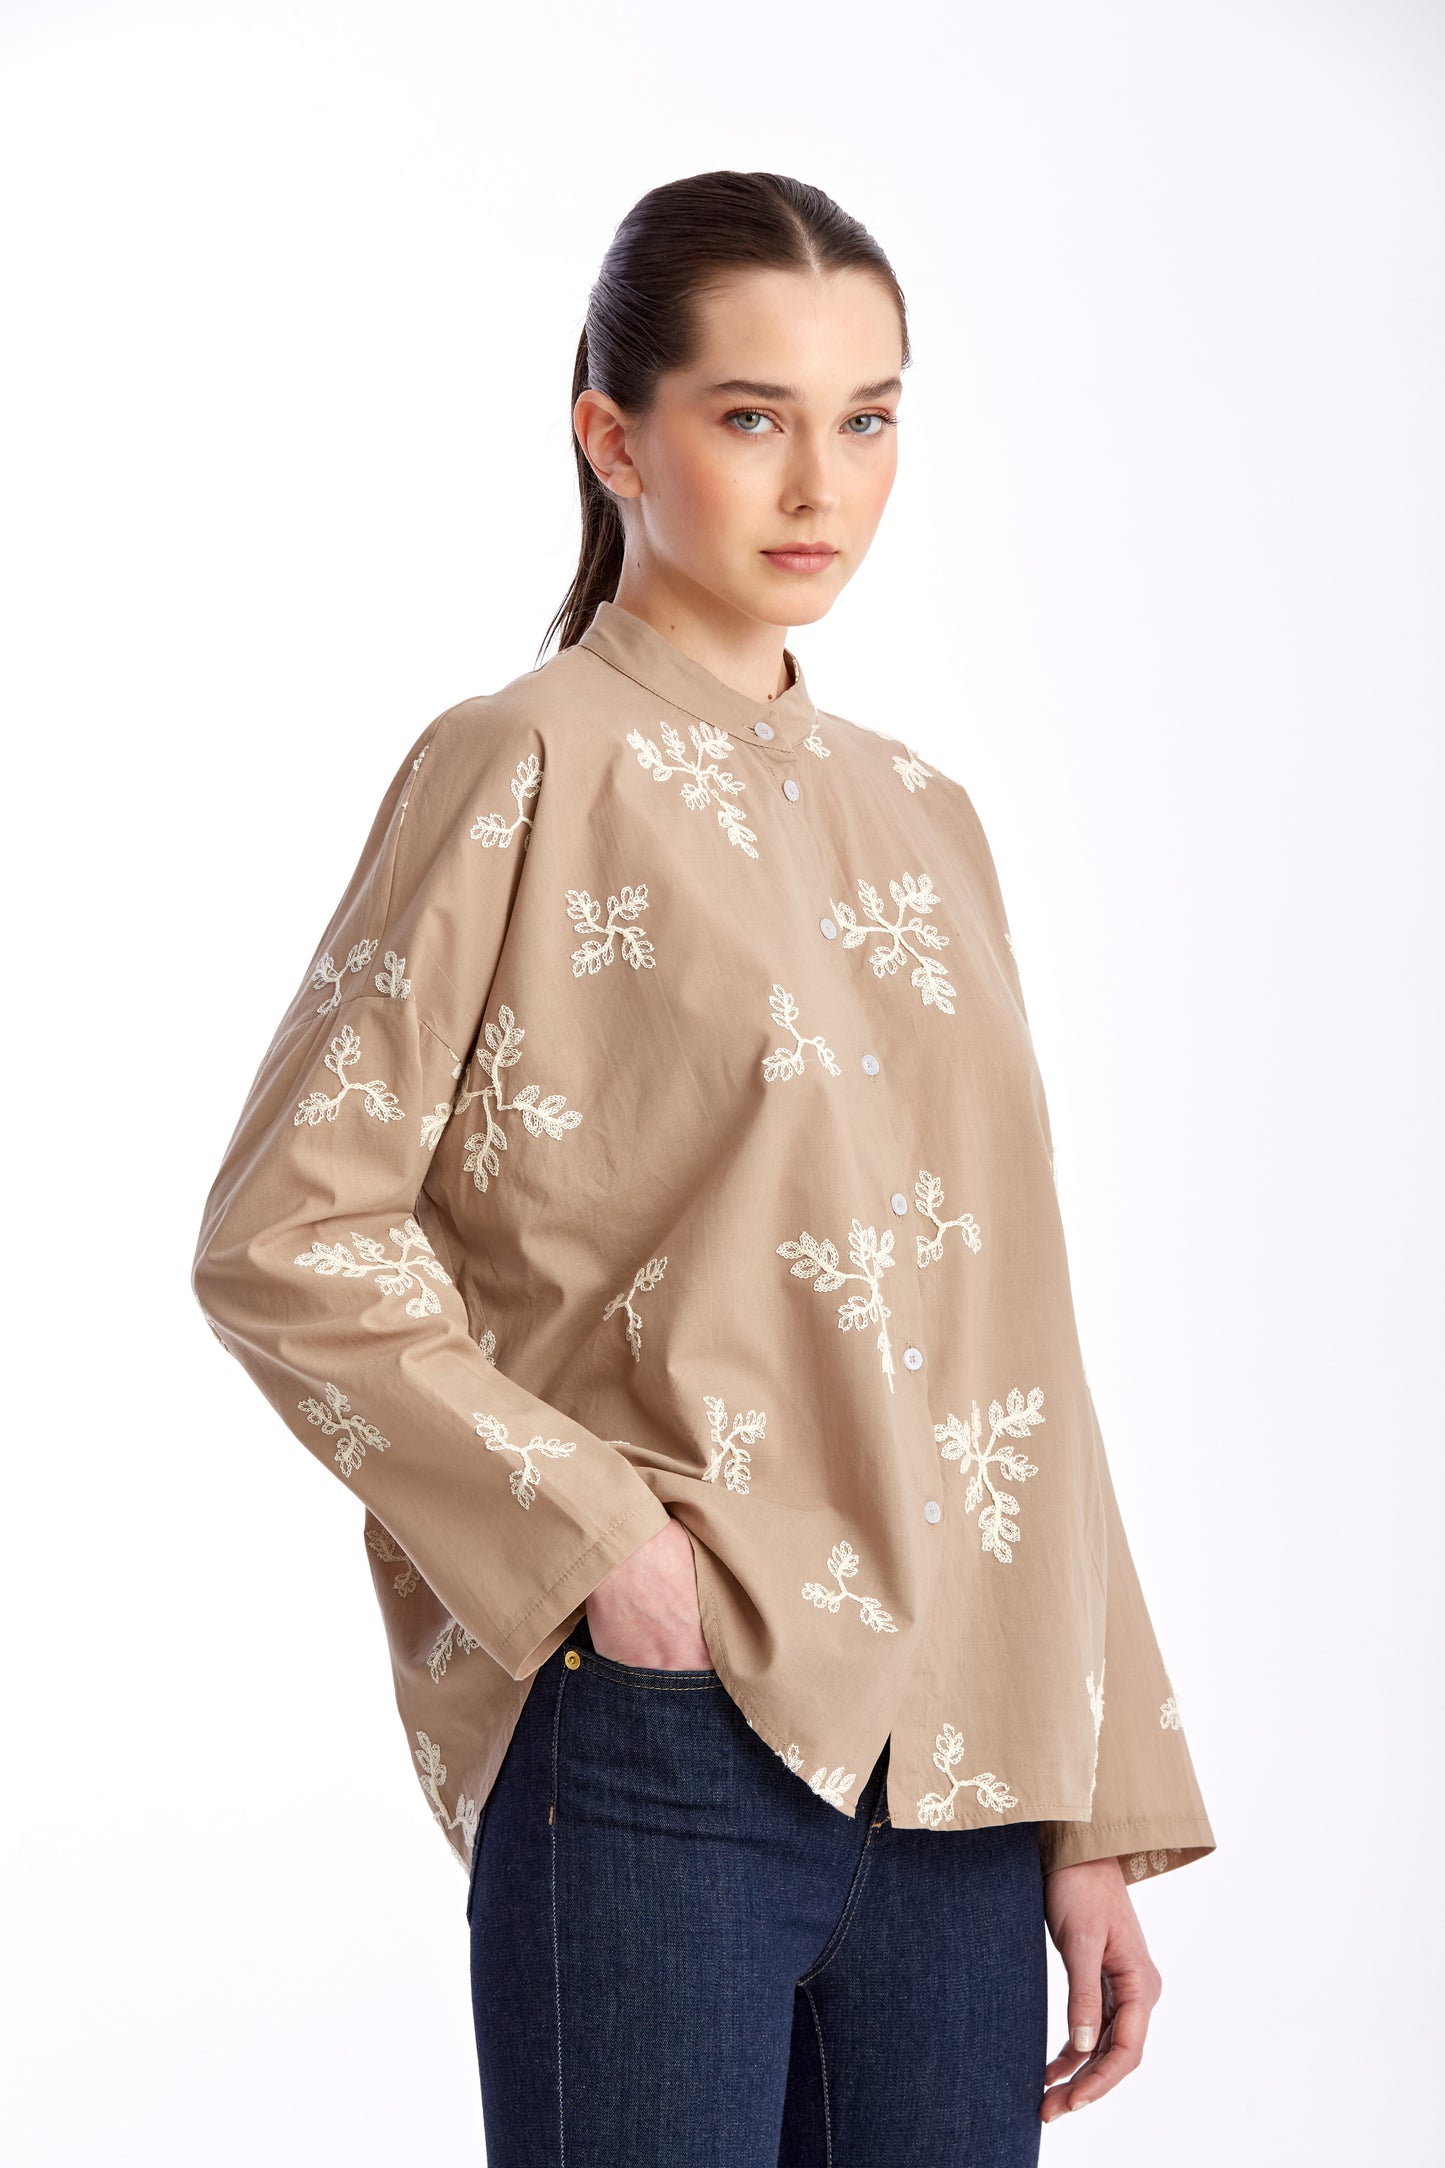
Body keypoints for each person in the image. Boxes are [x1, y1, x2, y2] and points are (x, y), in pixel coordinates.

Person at [191, 169, 1215, 2164]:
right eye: (753, 416)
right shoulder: (520, 761)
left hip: (965, 1780)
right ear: (614, 435)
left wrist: (1090, 1797)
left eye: (869, 417)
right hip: (667, 1746)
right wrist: (602, 1546)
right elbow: (287, 1235)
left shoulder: (930, 819)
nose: (820, 482)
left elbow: (1012, 1334)